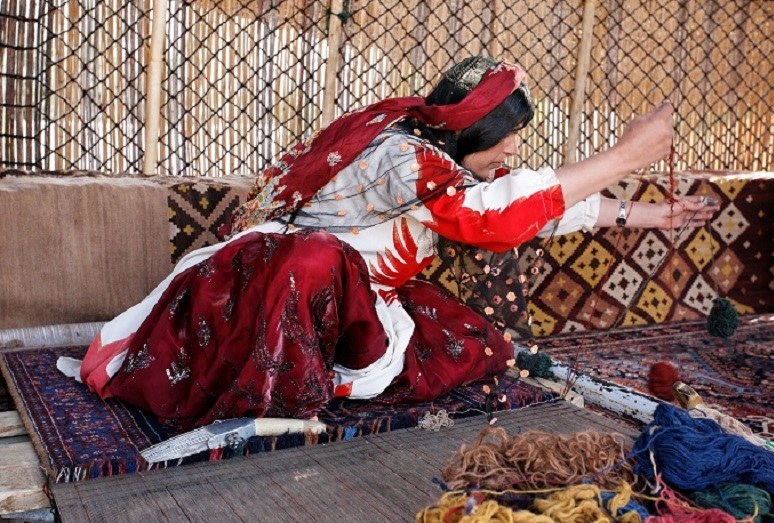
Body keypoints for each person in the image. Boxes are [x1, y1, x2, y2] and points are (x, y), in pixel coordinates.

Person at [58, 56, 719, 430]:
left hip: (354, 301)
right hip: (269, 288)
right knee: (320, 257)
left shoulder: (438, 162)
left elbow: (527, 206)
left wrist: (645, 214)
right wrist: (623, 154)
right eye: (507, 138)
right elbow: (495, 217)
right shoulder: (401, 155)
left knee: (479, 345)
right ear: (470, 126)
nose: (514, 152)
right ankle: (285, 391)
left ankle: (333, 374)